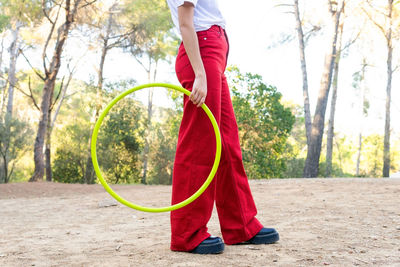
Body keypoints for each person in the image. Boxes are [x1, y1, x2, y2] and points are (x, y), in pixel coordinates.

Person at [166, 0, 279, 254]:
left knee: (226, 143)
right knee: (200, 144)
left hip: (212, 56)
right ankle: (187, 233)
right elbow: (186, 23)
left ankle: (241, 225)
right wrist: (200, 73)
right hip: (201, 56)